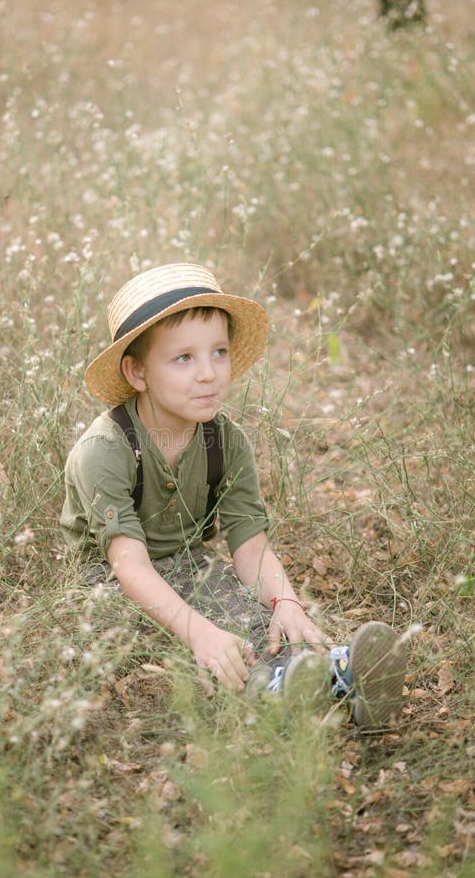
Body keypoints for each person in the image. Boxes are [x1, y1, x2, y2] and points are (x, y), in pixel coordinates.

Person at [60, 263, 407, 727]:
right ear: (137, 371)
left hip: (187, 562)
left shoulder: (225, 441)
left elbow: (250, 543)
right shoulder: (103, 450)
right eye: (183, 358)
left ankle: (333, 677)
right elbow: (130, 566)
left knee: (253, 617)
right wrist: (198, 632)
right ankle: (277, 695)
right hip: (109, 581)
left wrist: (286, 601)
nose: (208, 374)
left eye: (218, 352)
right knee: (199, 646)